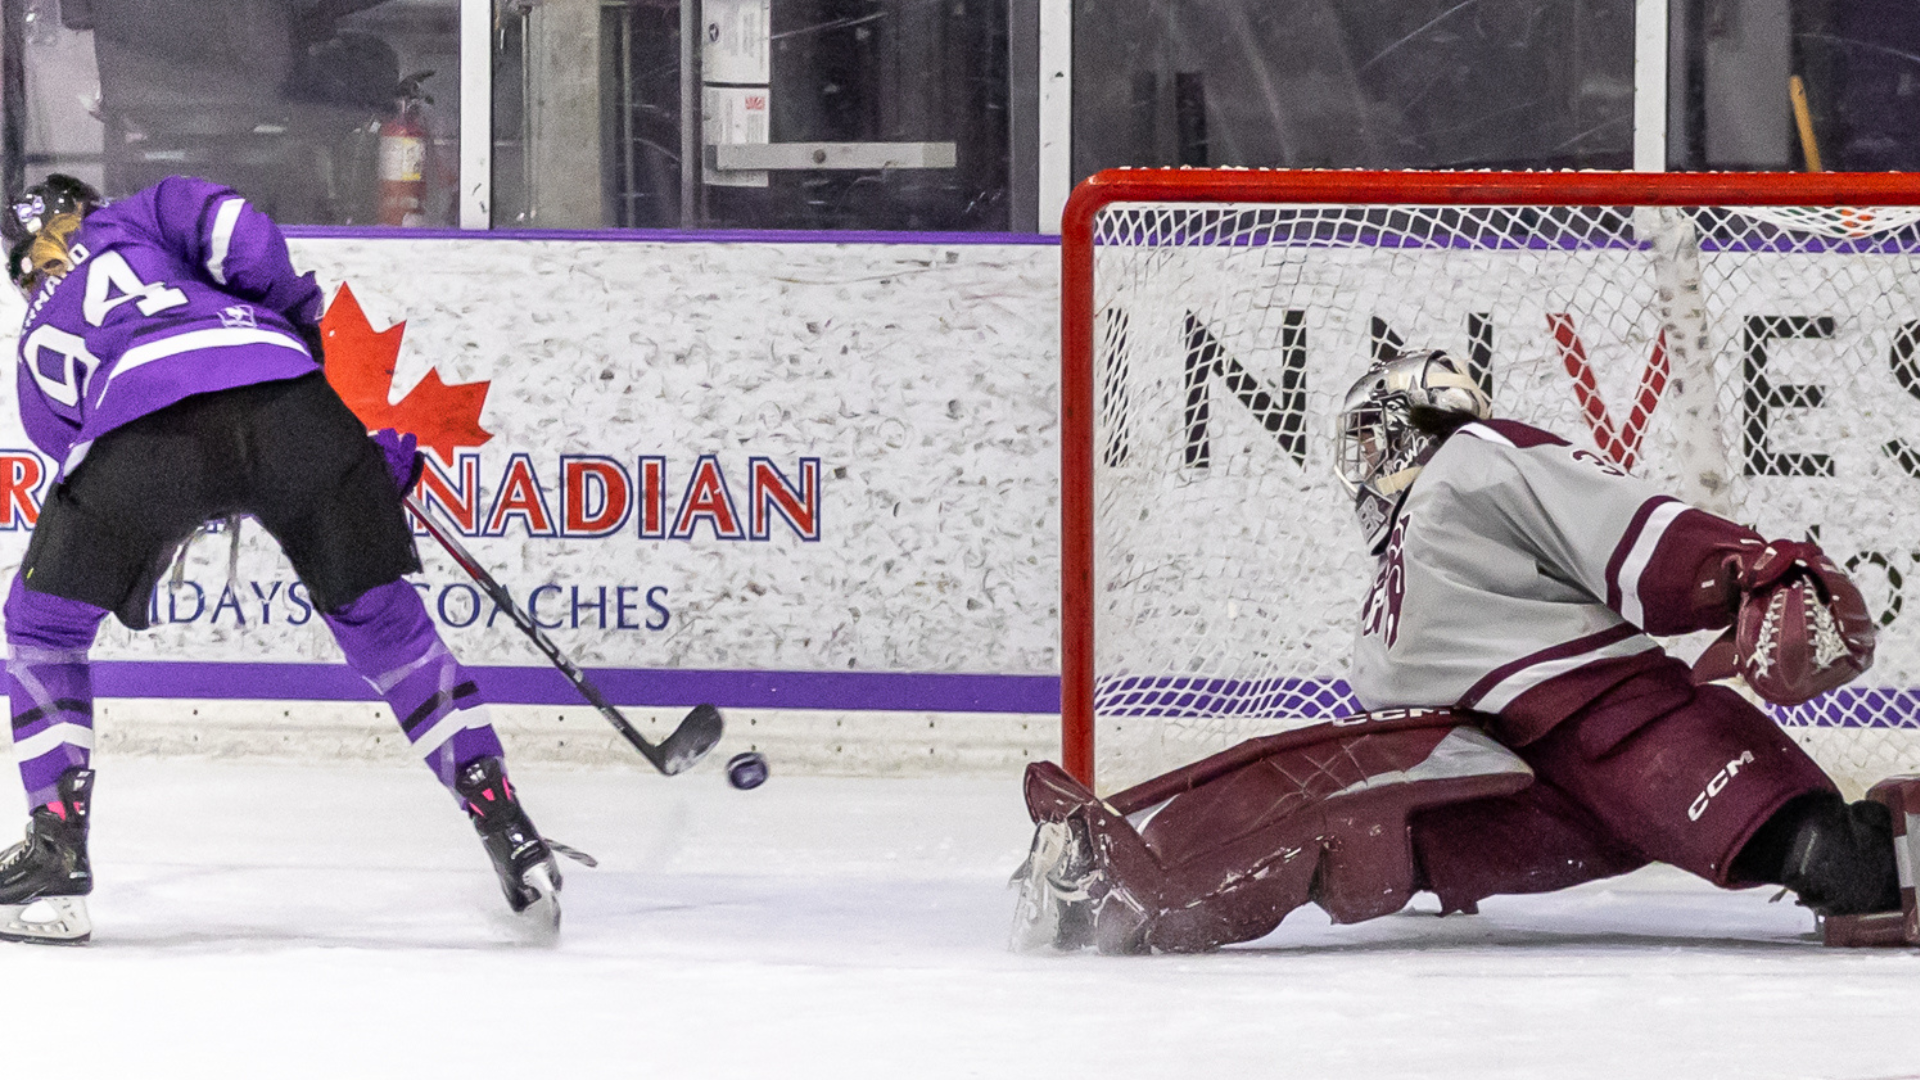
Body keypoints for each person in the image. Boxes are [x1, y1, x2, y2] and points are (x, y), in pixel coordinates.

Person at [1012, 349, 1906, 954]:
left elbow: (1621, 525)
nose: (1362, 465)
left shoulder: (1474, 460)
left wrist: (1742, 569)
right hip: (1491, 767)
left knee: (1836, 863)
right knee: (1345, 828)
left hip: (1614, 727)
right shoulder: (1400, 562)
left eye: (1373, 437)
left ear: (1412, 427)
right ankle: (1125, 888)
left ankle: (1902, 850)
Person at [0, 174, 566, 944]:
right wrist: (306, 377)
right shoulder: (146, 214)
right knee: (389, 631)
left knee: (45, 628)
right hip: (290, 397)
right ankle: (507, 823)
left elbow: (91, 457)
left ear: (23, 265)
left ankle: (57, 857)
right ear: (89, 210)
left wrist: (192, 495)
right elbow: (241, 232)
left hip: (143, 439)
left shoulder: (35, 346)